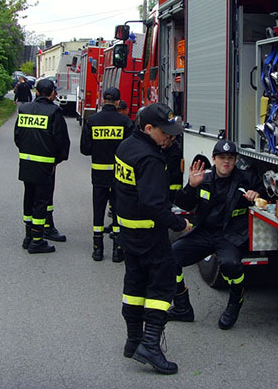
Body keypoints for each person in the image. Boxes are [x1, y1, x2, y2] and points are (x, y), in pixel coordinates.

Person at [115, 102, 191, 375]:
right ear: (148, 129)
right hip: (149, 233)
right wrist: (179, 223)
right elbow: (153, 204)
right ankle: (149, 345)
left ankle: (133, 340)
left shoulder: (126, 147)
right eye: (165, 133)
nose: (170, 137)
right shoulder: (150, 158)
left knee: (134, 285)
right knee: (162, 286)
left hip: (128, 231)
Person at [167, 139, 266, 330]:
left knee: (231, 266)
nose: (226, 162)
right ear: (214, 159)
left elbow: (266, 193)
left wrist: (257, 194)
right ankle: (182, 307)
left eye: (230, 158)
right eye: (222, 157)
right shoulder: (204, 179)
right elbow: (184, 204)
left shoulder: (246, 179)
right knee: (170, 258)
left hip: (230, 236)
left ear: (236, 160)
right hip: (204, 232)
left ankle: (235, 302)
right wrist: (191, 186)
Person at [14, 78, 70, 254]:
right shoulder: (54, 112)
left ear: (37, 92)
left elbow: (18, 136)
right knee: (41, 201)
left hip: (26, 162)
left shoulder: (24, 109)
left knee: (28, 198)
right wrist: (56, 161)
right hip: (45, 165)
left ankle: (28, 236)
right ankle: (37, 241)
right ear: (51, 93)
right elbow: (61, 141)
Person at [80, 87, 133, 262]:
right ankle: (118, 251)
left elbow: (85, 149)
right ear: (118, 102)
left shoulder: (92, 120)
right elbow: (131, 151)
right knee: (118, 210)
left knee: (98, 210)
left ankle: (97, 249)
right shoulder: (125, 122)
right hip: (119, 175)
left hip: (99, 175)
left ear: (103, 100)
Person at [163, 139, 183, 204]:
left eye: (165, 139)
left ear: (172, 138)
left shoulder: (175, 155)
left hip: (173, 189)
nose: (162, 142)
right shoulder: (165, 151)